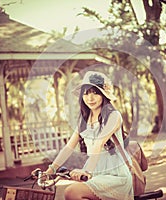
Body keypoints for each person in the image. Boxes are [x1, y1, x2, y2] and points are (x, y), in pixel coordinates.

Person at [32, 71, 133, 200]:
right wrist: (50, 171)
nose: (90, 98)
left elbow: (98, 144)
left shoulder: (113, 116)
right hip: (94, 172)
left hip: (115, 175)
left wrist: (86, 171)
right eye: (86, 93)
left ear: (104, 94)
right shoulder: (84, 120)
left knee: (71, 192)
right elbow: (69, 147)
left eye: (95, 93)